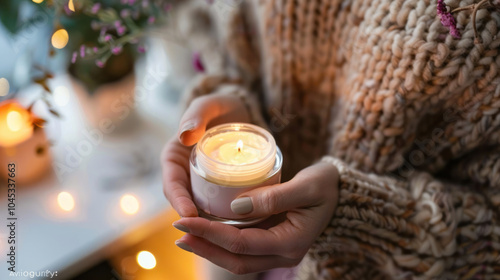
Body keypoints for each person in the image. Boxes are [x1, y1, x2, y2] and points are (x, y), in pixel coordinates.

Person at [162, 0, 500, 279]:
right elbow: (224, 24)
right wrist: (229, 98)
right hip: (225, 234)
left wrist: (361, 216)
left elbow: (490, 247)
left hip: (374, 267)